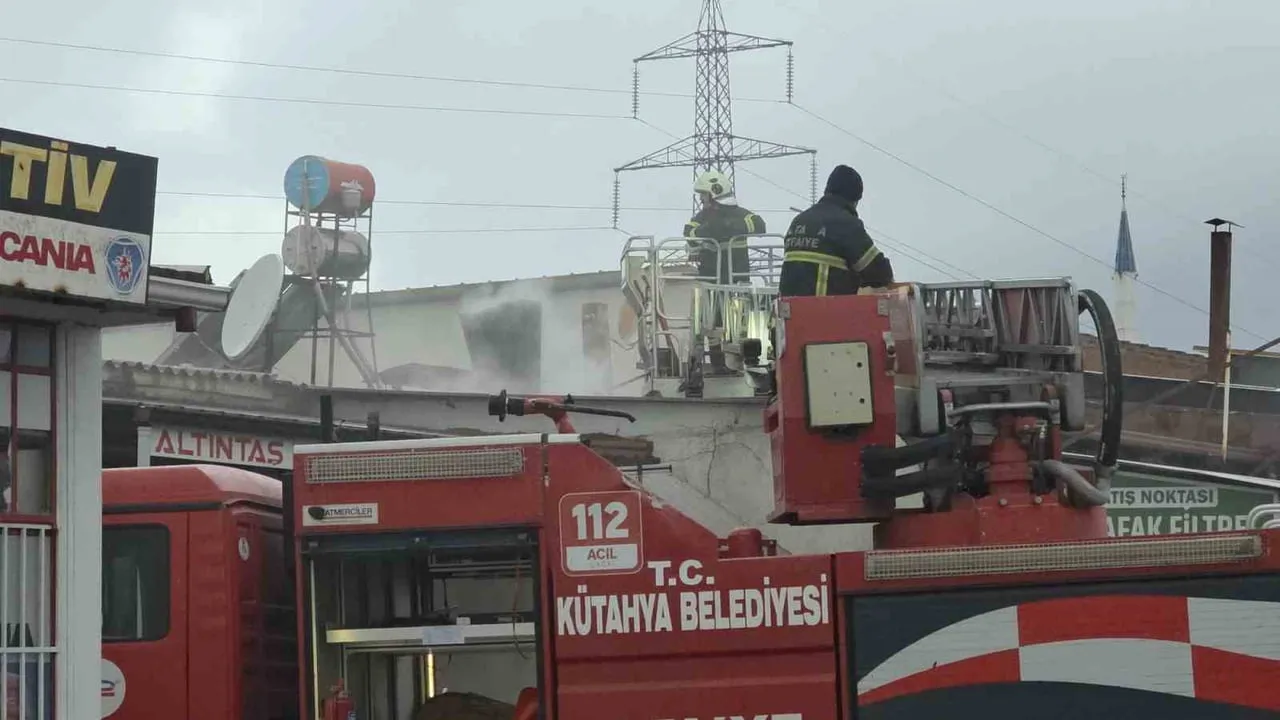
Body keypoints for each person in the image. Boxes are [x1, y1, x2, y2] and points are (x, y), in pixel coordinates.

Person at [779, 164, 894, 297]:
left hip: (791, 314)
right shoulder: (846, 224)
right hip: (825, 313)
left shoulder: (798, 221)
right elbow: (878, 272)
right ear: (854, 200)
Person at [683, 170, 766, 285]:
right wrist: (708, 230)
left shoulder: (738, 213)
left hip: (738, 280)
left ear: (715, 191)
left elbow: (760, 225)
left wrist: (727, 226)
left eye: (703, 194)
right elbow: (688, 232)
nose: (700, 198)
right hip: (710, 280)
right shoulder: (702, 217)